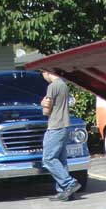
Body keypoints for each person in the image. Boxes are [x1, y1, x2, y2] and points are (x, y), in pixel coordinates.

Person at [40, 70, 81, 201]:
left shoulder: (52, 86)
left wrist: (42, 104)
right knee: (60, 159)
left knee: (48, 159)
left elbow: (46, 111)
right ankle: (65, 193)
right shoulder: (63, 85)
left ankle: (70, 183)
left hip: (55, 126)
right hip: (65, 125)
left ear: (46, 72)